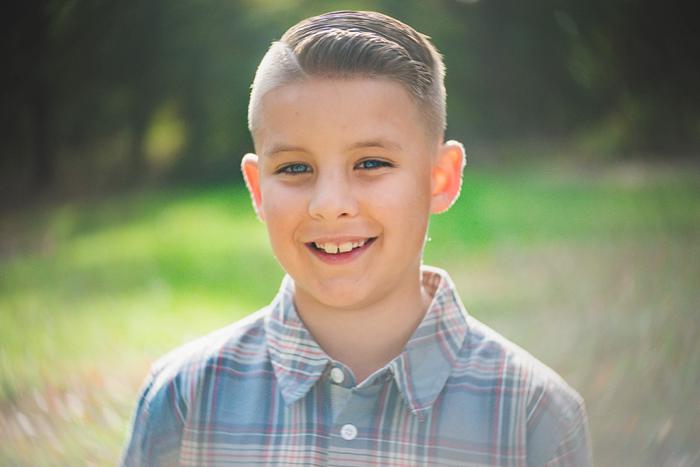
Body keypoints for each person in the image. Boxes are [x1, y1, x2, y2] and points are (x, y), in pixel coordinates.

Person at [121, 10, 592, 466]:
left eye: (370, 163)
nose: (329, 203)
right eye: (295, 168)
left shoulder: (533, 417)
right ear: (258, 188)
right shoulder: (185, 400)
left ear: (441, 178)